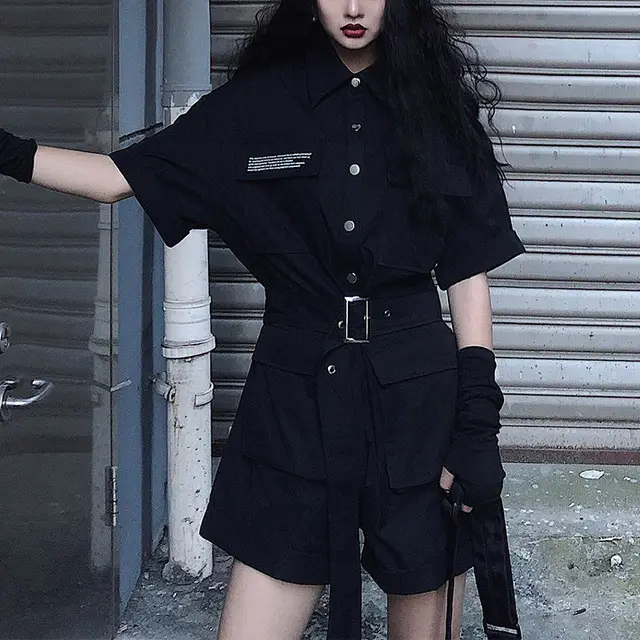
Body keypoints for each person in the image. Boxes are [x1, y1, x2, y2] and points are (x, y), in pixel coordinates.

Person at [0, 1, 526, 638]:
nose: (353, 8)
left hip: (418, 400)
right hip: (294, 398)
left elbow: (467, 273)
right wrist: (10, 153)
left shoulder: (437, 106)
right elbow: (116, 177)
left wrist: (477, 421)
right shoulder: (257, 105)